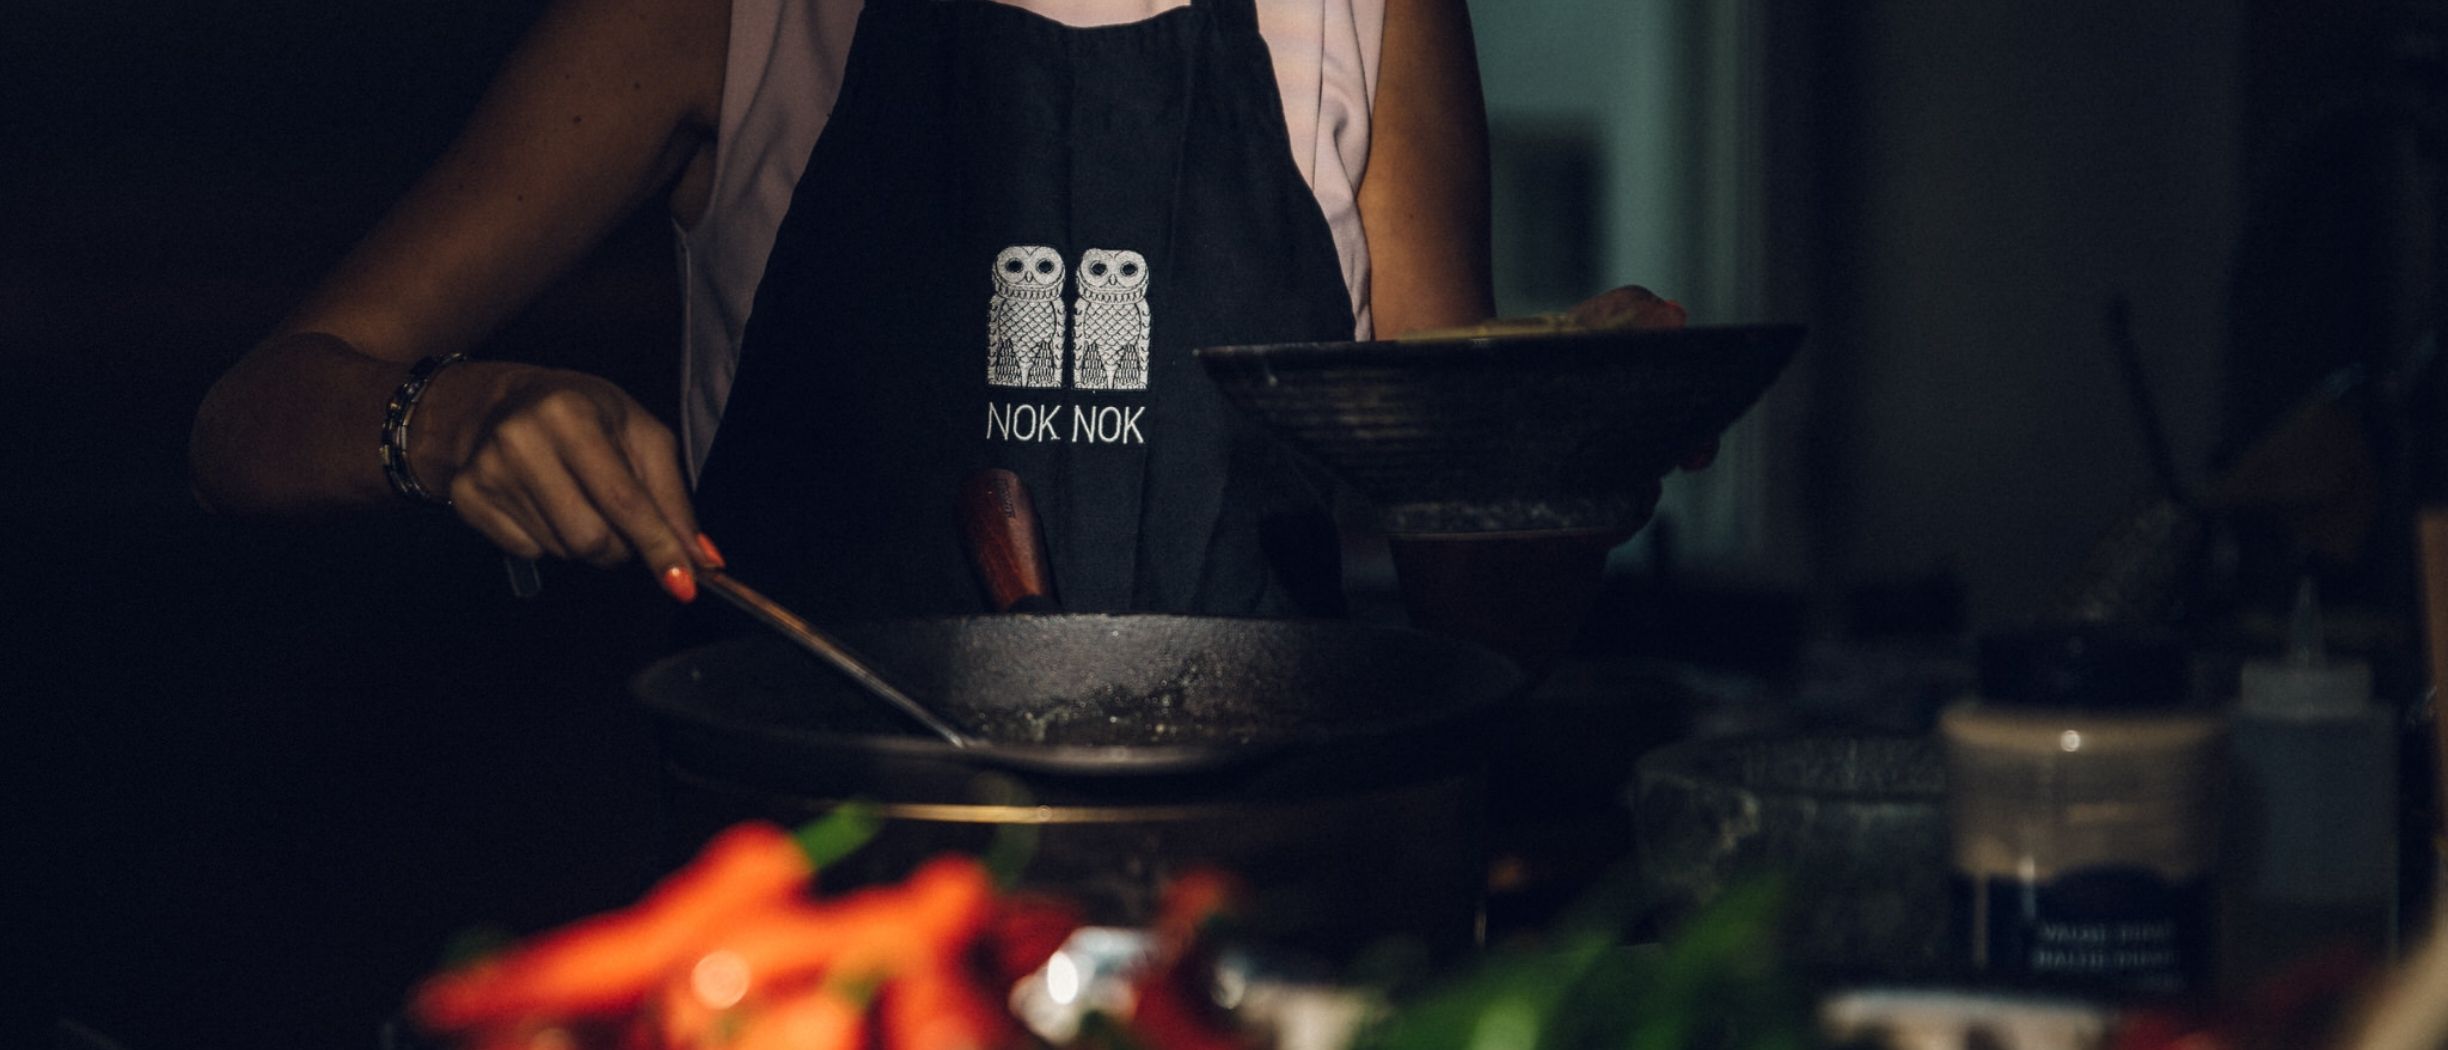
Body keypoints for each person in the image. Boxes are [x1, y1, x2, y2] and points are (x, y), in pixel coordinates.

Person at [191, 0, 1503, 629]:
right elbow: (247, 424)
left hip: (1260, 931)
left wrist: (1569, 442)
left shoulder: (1367, 16)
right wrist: (447, 416)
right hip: (832, 939)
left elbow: (1485, 627)